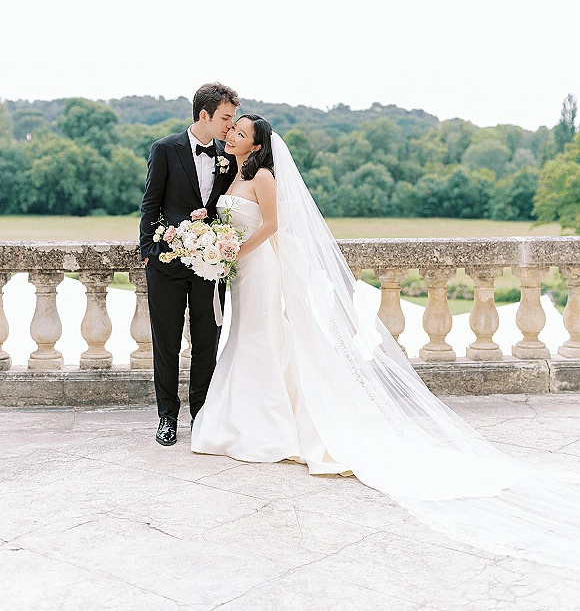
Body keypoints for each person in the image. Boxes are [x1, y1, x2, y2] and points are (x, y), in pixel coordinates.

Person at [191, 114, 580, 569]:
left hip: (259, 267)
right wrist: (210, 232)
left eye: (241, 133)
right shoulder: (233, 174)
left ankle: (268, 428)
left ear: (256, 145)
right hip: (241, 272)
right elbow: (233, 218)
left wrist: (236, 250)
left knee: (261, 336)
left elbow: (273, 225)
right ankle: (242, 419)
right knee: (245, 337)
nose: (232, 135)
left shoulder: (264, 177)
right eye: (232, 129)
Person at [140, 82, 240, 446]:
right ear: (204, 115)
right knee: (165, 344)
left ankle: (202, 414)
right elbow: (150, 203)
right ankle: (167, 417)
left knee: (206, 341)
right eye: (226, 118)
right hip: (166, 264)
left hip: (211, 267)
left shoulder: (227, 155)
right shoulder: (165, 149)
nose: (231, 125)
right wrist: (147, 253)